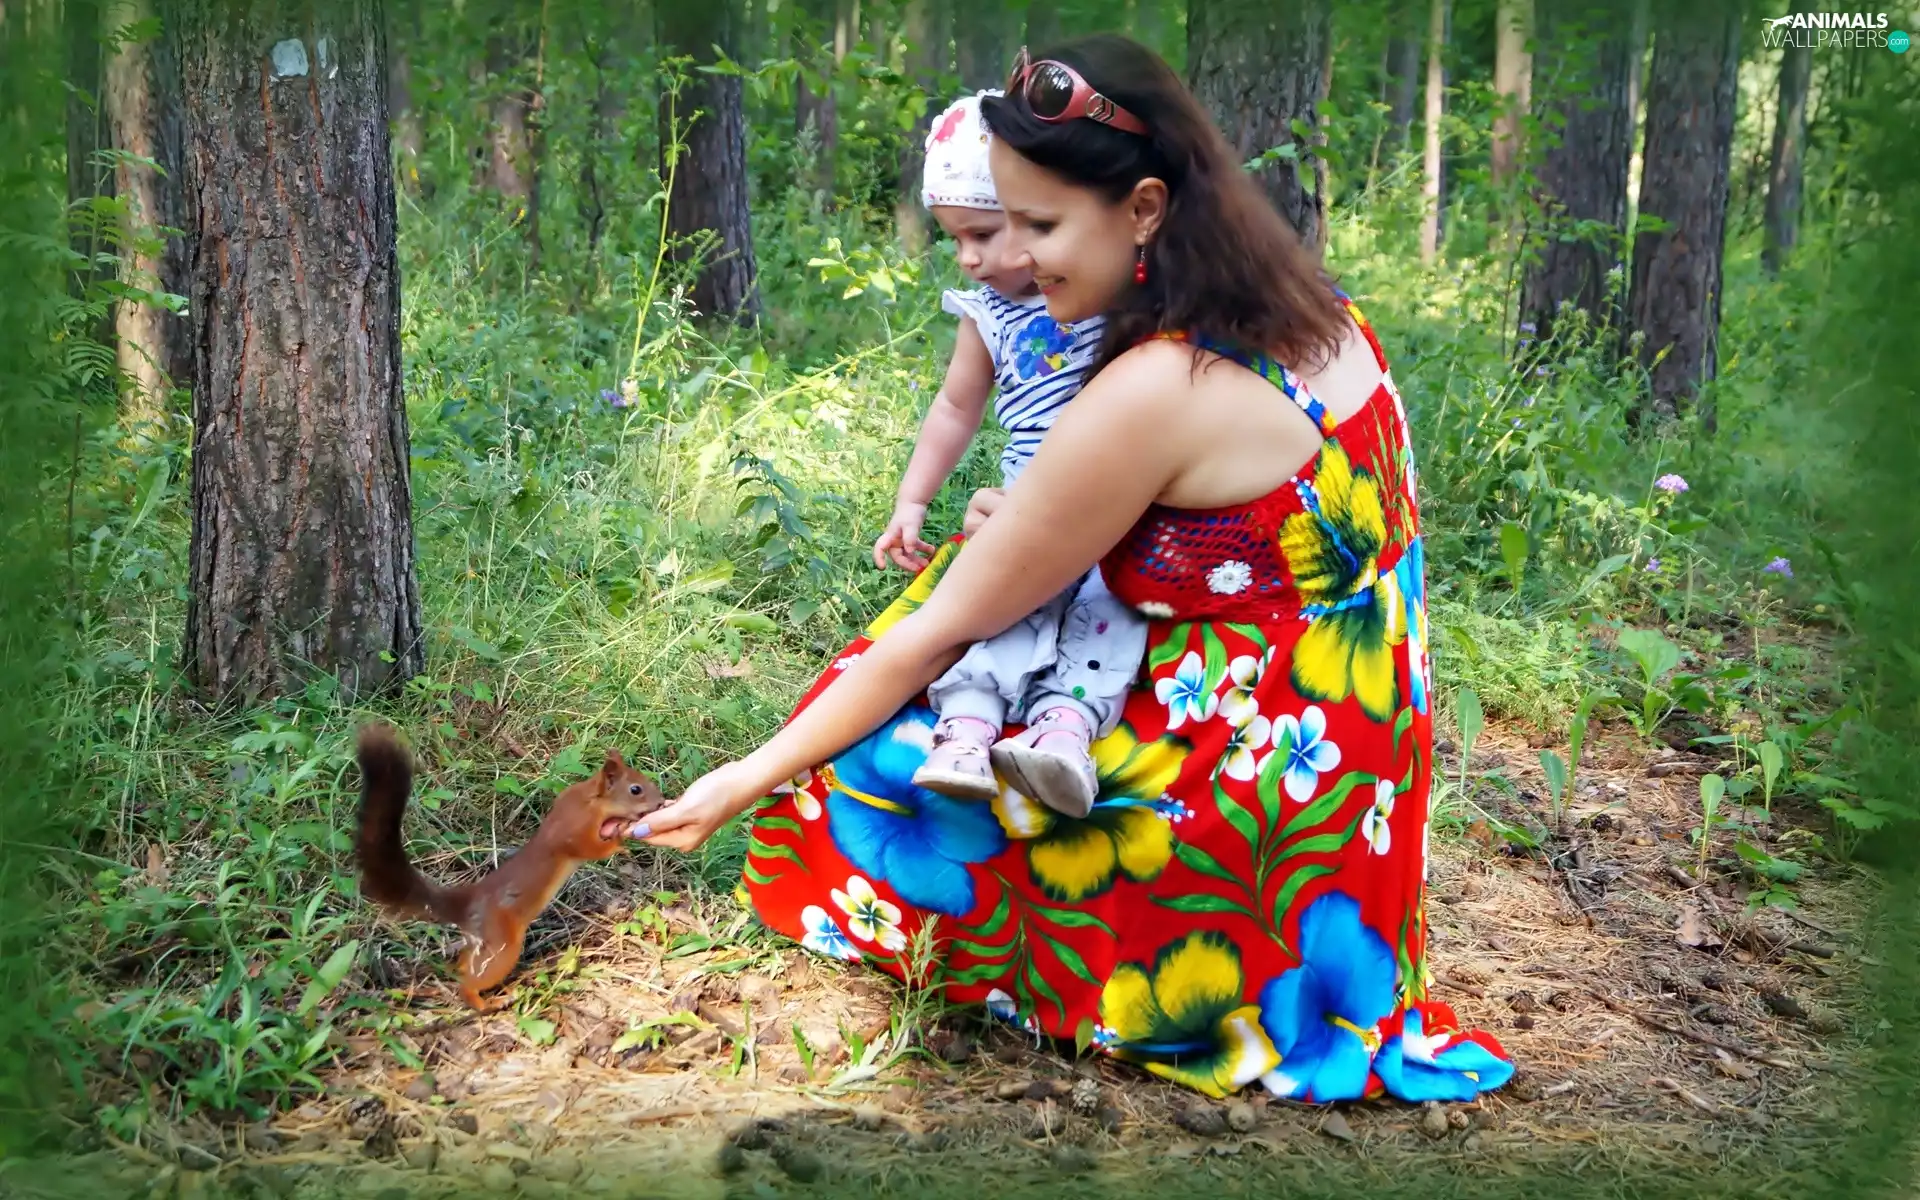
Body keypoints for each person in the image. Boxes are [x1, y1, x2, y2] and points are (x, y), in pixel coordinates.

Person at [635, 34, 1513, 1105]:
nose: (1017, 258)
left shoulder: (1156, 387)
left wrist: (737, 782)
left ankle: (1163, 975)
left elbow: (940, 630)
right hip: (1366, 761)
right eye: (1005, 221)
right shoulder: (1315, 311)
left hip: (1264, 789)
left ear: (1144, 209)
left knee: (866, 775)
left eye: (1041, 227)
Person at [874, 90, 1148, 818]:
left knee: (1106, 610)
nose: (969, 258)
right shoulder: (988, 312)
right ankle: (964, 730)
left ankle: (1065, 733)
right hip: (1026, 498)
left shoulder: (1107, 295)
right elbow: (955, 407)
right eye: (955, 239)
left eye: (986, 234)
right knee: (999, 605)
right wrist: (913, 501)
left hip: (1112, 506)